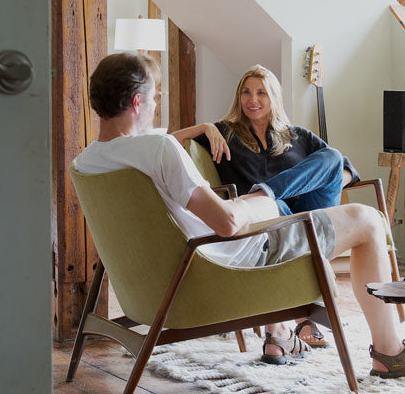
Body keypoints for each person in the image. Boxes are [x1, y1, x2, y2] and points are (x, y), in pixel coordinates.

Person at [75, 52, 405, 375]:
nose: (154, 105)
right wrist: (254, 201)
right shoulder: (157, 148)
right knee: (369, 221)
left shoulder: (86, 161)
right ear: (137, 102)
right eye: (153, 98)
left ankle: (286, 333)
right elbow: (228, 223)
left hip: (164, 283)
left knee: (327, 167)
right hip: (239, 256)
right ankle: (390, 354)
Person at [171, 64, 361, 347]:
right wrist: (204, 127)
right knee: (278, 208)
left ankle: (266, 193)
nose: (252, 99)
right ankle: (301, 315)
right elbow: (168, 144)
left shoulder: (296, 135)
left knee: (331, 156)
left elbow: (345, 169)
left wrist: (316, 182)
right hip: (266, 222)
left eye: (261, 92)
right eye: (246, 92)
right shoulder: (225, 133)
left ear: (274, 97)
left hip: (304, 214)